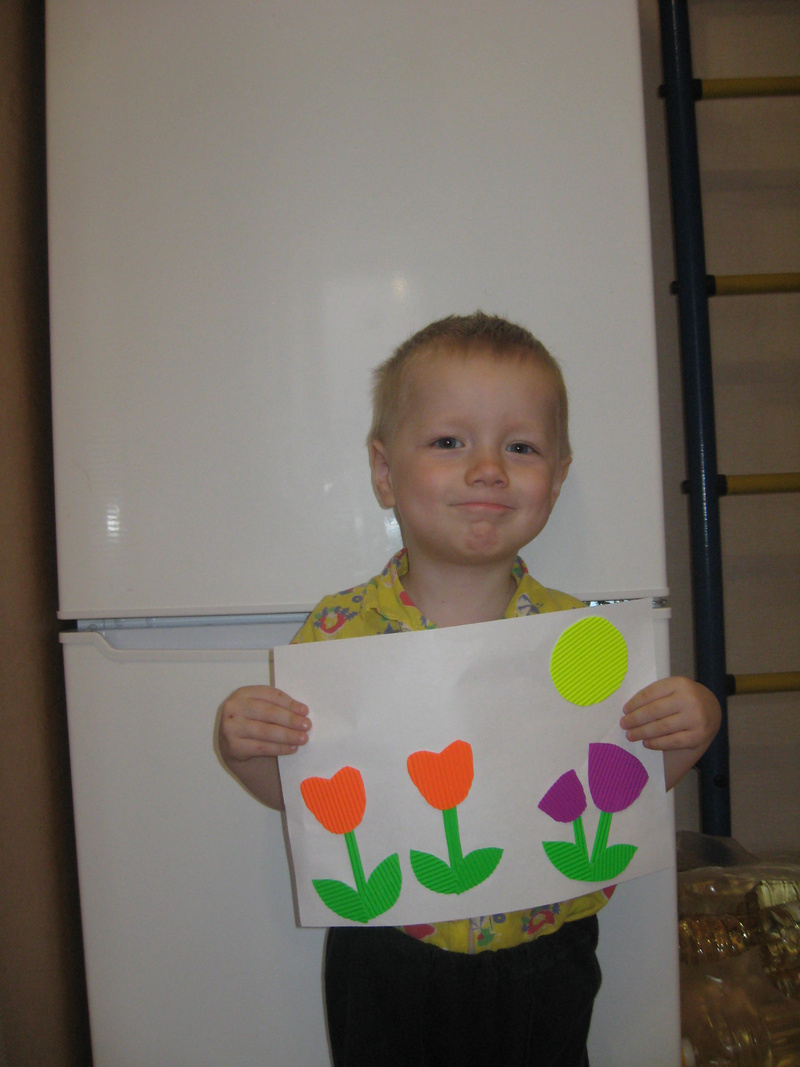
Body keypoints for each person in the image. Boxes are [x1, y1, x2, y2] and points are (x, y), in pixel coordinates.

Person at [217, 311, 720, 1066]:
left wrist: (692, 728)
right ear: (384, 472)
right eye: (450, 441)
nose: (488, 468)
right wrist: (248, 749)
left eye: (520, 447)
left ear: (558, 478)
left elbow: (623, 788)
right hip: (385, 951)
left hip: (545, 954)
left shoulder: (581, 641)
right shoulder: (338, 634)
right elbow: (304, 796)